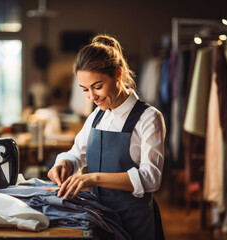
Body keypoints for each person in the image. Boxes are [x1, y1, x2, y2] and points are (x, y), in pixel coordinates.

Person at [47, 34, 166, 240]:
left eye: (97, 86)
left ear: (118, 74)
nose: (92, 97)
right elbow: (77, 154)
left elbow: (151, 178)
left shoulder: (149, 118)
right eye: (85, 89)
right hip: (101, 218)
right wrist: (65, 164)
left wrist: (92, 178)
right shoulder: (96, 116)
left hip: (135, 223)